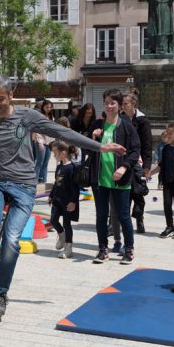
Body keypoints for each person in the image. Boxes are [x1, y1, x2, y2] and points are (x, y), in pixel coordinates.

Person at [0, 74, 125, 317]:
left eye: (0, 98)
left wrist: (101, 147)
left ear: (11, 95)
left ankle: (0, 293)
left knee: (11, 241)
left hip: (24, 187)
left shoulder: (27, 116)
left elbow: (62, 133)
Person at [87, 89, 140, 265]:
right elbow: (87, 149)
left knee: (123, 215)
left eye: (113, 103)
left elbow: (135, 151)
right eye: (107, 102)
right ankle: (103, 249)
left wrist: (124, 168)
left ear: (119, 106)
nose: (109, 106)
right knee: (101, 216)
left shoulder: (126, 126)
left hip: (121, 180)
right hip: (100, 179)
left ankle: (129, 249)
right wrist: (93, 138)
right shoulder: (98, 125)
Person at [122, 90, 153, 234]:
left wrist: (147, 167)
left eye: (125, 103)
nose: (123, 106)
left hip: (138, 162)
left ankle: (139, 219)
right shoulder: (120, 118)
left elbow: (147, 145)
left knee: (138, 193)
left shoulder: (142, 120)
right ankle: (117, 222)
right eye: (122, 103)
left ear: (133, 104)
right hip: (122, 161)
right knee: (122, 193)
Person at [49, 140, 80, 259]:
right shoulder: (59, 167)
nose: (53, 155)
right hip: (57, 199)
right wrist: (51, 196)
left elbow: (75, 187)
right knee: (53, 220)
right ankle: (61, 235)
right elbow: (56, 183)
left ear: (63, 153)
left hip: (67, 201)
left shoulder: (71, 168)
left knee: (67, 224)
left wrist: (73, 201)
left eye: (55, 153)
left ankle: (68, 248)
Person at [34, 99, 55, 184]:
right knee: (39, 163)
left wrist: (53, 142)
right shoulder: (39, 116)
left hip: (49, 143)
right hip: (41, 142)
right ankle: (34, 183)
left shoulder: (52, 118)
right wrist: (40, 142)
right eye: (47, 107)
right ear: (43, 107)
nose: (49, 109)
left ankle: (44, 182)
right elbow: (37, 131)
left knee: (46, 164)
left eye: (50, 107)